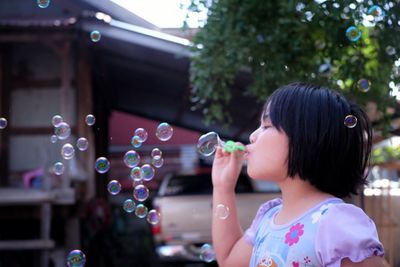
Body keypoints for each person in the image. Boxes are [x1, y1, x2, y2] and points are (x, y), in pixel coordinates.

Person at [211, 82, 385, 267]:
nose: (253, 136)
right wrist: (223, 187)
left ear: (307, 138)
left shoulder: (336, 223)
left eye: (266, 125)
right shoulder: (268, 219)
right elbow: (228, 259)